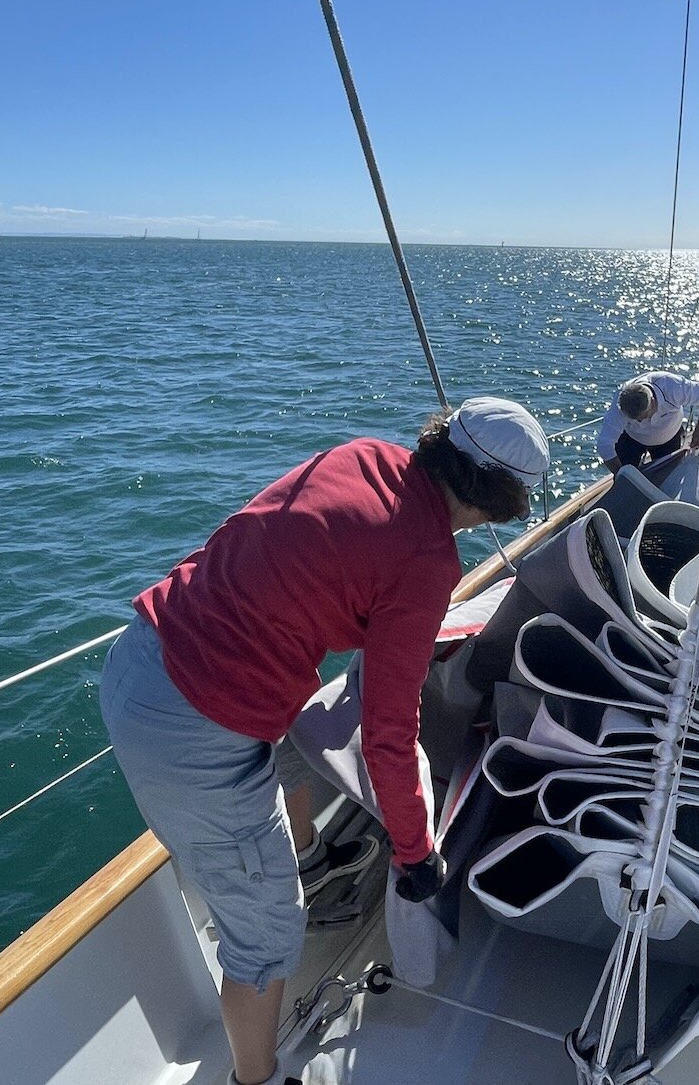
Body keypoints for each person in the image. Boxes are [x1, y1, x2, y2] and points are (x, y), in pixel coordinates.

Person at [99, 397, 548, 1085]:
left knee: (295, 726)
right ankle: (255, 1078)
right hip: (191, 727)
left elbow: (262, 537)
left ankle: (309, 858)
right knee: (268, 936)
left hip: (146, 649)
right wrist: (416, 853)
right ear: (505, 501)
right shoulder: (427, 563)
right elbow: (390, 736)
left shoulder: (364, 455)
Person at [596, 370, 699, 474]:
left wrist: (698, 431)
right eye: (635, 419)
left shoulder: (673, 387)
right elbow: (604, 445)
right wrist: (621, 475)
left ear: (653, 402)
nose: (639, 421)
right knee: (624, 479)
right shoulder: (619, 406)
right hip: (631, 439)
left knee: (668, 479)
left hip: (668, 439)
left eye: (643, 417)